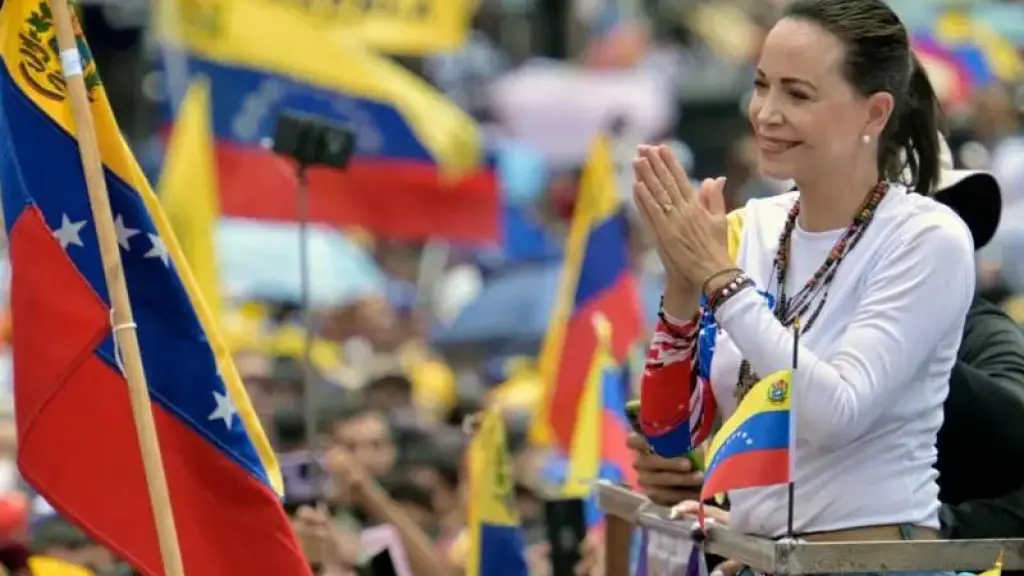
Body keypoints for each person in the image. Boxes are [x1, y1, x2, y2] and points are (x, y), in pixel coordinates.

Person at [633, 0, 973, 572]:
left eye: (798, 94)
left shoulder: (927, 238)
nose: (765, 112)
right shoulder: (753, 227)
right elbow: (673, 434)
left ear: (874, 114)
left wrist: (719, 280)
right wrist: (682, 287)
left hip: (875, 563)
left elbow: (836, 413)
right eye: (762, 85)